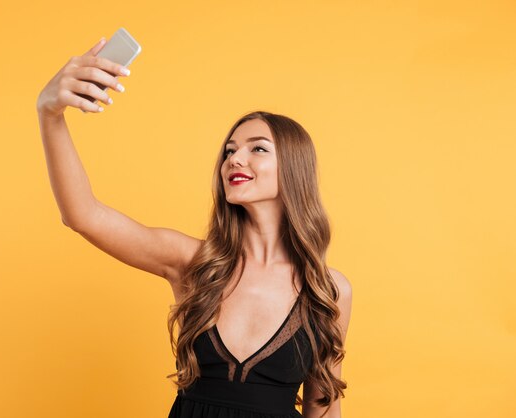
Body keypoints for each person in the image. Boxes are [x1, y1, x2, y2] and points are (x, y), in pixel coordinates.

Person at [36, 39, 353, 418]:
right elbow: (83, 215)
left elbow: (323, 409)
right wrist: (50, 114)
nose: (235, 157)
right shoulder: (193, 263)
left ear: (295, 169)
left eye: (258, 148)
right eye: (230, 150)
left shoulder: (328, 290)